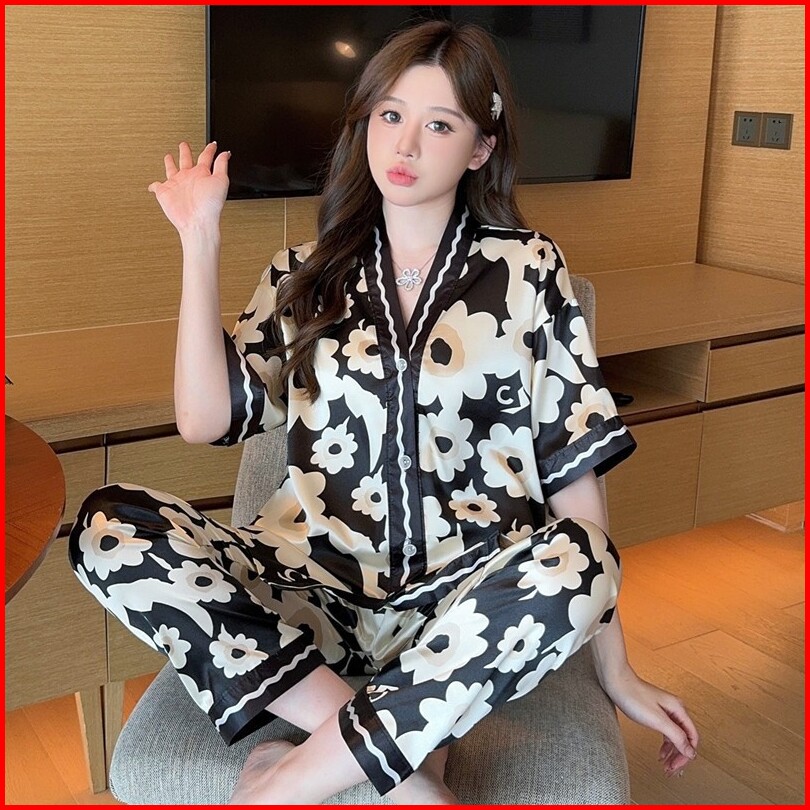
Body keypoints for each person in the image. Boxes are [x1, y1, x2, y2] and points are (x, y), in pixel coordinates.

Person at [68, 19, 698, 805]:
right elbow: (205, 421)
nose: (405, 144)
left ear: (480, 148)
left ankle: (282, 780)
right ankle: (405, 773)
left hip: (464, 605)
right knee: (109, 526)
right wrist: (199, 240)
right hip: (309, 588)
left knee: (585, 556)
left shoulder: (530, 271)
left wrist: (618, 669)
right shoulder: (303, 275)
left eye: (439, 125)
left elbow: (573, 473)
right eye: (390, 115)